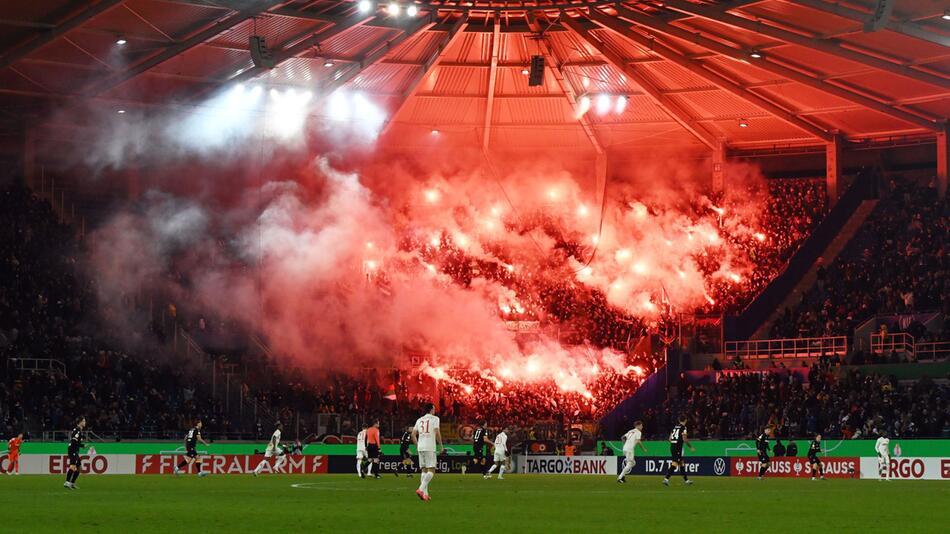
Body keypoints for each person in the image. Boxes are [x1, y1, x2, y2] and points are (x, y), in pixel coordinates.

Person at [412, 403, 443, 501]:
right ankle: (421, 489)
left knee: (424, 470)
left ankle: (425, 494)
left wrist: (417, 446)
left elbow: (413, 435)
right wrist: (441, 445)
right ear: (431, 410)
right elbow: (437, 432)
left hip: (421, 447)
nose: (435, 410)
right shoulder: (435, 419)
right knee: (431, 470)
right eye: (434, 409)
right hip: (430, 447)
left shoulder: (419, 420)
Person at [663, 415, 695, 486]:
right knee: (675, 463)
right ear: (685, 420)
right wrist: (690, 447)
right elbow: (684, 439)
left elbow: (670, 439)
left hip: (672, 446)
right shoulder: (684, 428)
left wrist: (675, 441)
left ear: (679, 420)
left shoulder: (674, 427)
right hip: (678, 447)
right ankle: (666, 479)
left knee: (681, 463)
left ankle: (686, 480)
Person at [63, 417, 86, 489]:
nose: (85, 422)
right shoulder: (77, 430)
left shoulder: (79, 430)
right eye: (84, 421)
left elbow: (76, 441)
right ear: (80, 422)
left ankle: (72, 483)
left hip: (75, 450)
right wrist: (82, 445)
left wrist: (81, 445)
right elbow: (74, 441)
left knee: (79, 468)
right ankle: (67, 482)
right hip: (73, 450)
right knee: (73, 466)